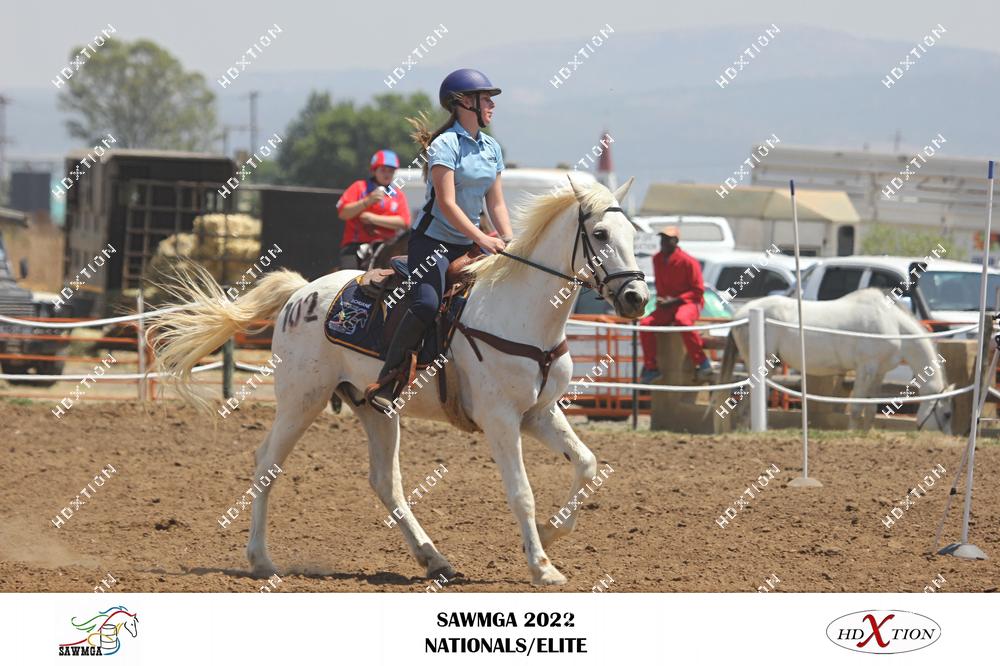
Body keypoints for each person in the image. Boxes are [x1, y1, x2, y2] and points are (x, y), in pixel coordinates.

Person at [368, 68, 513, 411]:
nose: (492, 104)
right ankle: (388, 380)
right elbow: (447, 204)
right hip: (432, 244)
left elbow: (496, 203)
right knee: (426, 305)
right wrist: (483, 238)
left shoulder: (492, 148)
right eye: (485, 98)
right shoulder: (445, 145)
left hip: (470, 244)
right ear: (464, 102)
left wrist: (508, 239)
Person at [639, 225, 713, 383]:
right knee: (645, 324)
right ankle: (651, 368)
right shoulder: (657, 259)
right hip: (668, 305)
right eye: (662, 238)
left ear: (676, 241)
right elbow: (660, 285)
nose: (663, 242)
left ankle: (702, 362)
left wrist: (672, 300)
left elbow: (698, 291)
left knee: (682, 321)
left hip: (689, 302)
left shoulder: (689, 261)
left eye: (668, 239)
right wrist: (661, 301)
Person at [336, 149, 411, 270]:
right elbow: (343, 213)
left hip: (387, 246)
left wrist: (372, 218)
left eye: (391, 171)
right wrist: (367, 201)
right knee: (349, 277)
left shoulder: (397, 194)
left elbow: (405, 222)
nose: (387, 174)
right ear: (374, 170)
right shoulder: (359, 187)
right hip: (356, 247)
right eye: (383, 170)